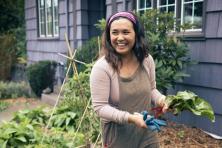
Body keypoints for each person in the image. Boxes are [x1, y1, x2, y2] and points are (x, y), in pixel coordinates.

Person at [90, 11, 168, 148]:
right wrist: (130, 118)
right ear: (109, 36)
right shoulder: (102, 68)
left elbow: (152, 90)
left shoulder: (146, 59)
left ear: (136, 34)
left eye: (126, 32)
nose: (120, 38)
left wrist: (162, 100)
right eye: (115, 32)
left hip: (147, 131)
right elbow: (100, 107)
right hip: (119, 136)